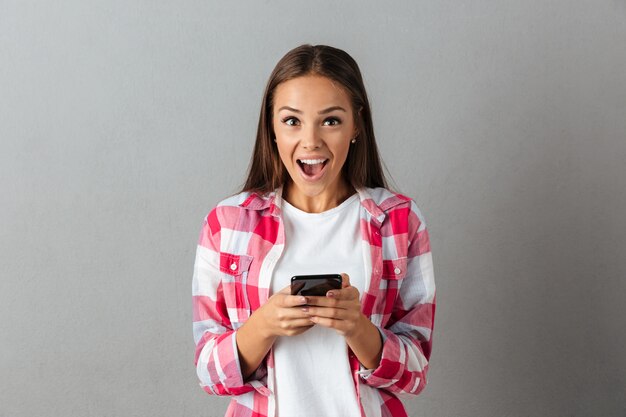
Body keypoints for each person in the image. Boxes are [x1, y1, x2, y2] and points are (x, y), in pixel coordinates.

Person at [192, 44, 436, 417]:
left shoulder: (398, 222)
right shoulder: (227, 223)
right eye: (292, 121)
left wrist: (357, 328)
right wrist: (264, 325)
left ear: (356, 125)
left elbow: (415, 373)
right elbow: (208, 373)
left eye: (331, 120)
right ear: (271, 128)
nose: (310, 141)